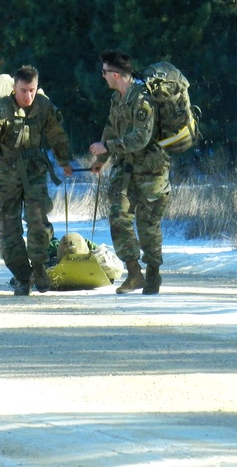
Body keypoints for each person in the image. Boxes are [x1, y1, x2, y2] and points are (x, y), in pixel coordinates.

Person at [0, 65, 74, 295]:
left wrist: (64, 161)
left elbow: (57, 133)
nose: (28, 96)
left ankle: (40, 267)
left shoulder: (44, 107)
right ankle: (23, 276)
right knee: (7, 227)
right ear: (14, 88)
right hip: (6, 174)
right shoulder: (1, 110)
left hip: (35, 171)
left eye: (32, 90)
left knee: (38, 222)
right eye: (23, 90)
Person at [89, 50, 169, 295]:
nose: (103, 77)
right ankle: (134, 274)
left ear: (115, 74)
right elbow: (111, 129)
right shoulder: (118, 99)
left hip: (151, 172)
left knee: (148, 226)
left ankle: (153, 273)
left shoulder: (142, 99)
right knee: (118, 218)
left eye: (104, 72)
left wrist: (109, 147)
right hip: (125, 170)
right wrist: (101, 159)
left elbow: (141, 138)